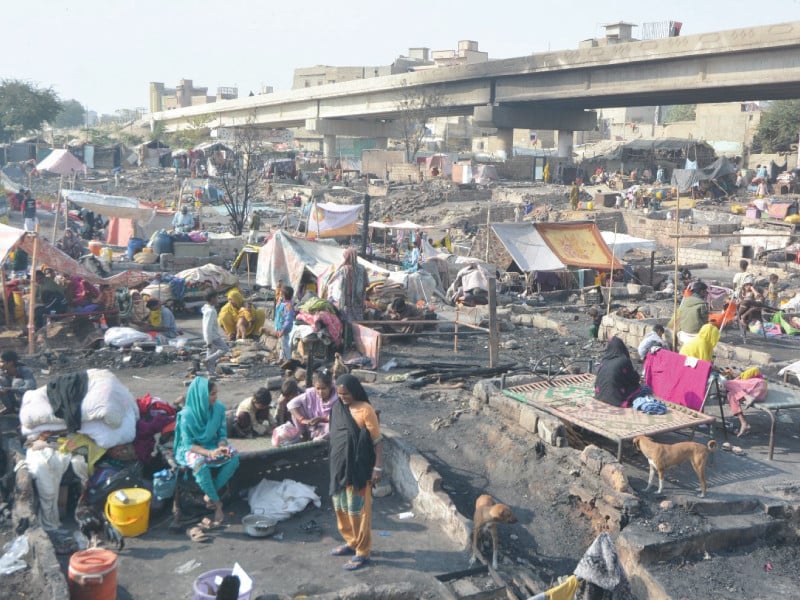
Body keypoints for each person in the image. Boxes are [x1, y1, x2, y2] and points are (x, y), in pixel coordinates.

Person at [328, 374, 383, 571]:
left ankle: (362, 551)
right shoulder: (337, 408)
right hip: (339, 468)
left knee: (359, 511)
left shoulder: (366, 410)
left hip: (359, 470)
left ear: (356, 391)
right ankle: (350, 541)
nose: (343, 397)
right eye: (340, 393)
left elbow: (377, 441)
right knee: (341, 508)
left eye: (346, 394)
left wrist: (377, 467)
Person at [173, 377, 239, 525]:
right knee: (200, 465)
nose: (215, 397)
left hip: (212, 445)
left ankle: (209, 494)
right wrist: (209, 453)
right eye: (212, 394)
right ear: (201, 396)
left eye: (216, 393)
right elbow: (188, 444)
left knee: (233, 457)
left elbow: (222, 435)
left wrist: (222, 447)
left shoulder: (219, 409)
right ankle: (217, 502)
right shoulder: (186, 416)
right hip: (192, 448)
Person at [287, 369, 338, 441]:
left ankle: (317, 442)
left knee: (331, 428)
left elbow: (339, 417)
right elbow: (291, 404)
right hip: (312, 424)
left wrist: (322, 418)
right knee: (297, 410)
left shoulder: (337, 396)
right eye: (318, 388)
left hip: (329, 425)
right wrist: (303, 420)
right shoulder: (312, 393)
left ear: (330, 387)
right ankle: (304, 435)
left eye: (323, 388)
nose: (320, 392)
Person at [594, 337, 641, 407]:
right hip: (616, 397)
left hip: (600, 394)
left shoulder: (604, 360)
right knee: (637, 387)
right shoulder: (624, 360)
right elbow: (633, 378)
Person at [723, 367, 768, 438]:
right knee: (731, 395)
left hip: (759, 386)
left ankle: (748, 397)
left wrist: (740, 375)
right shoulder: (739, 384)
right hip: (755, 395)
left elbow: (755, 369)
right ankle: (744, 423)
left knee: (726, 383)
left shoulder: (744, 376)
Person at [202, 290, 230, 374]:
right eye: (216, 298)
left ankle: (210, 373)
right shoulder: (211, 311)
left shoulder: (208, 309)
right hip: (213, 336)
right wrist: (209, 340)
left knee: (211, 352)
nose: (217, 299)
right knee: (225, 349)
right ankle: (207, 360)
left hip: (210, 336)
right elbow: (208, 327)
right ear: (212, 299)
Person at [273, 285, 295, 361]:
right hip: (279, 327)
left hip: (283, 328)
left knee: (285, 344)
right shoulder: (282, 303)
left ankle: (289, 359)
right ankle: (281, 358)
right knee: (282, 343)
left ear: (284, 295)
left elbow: (288, 319)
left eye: (281, 294)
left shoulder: (288, 306)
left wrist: (283, 329)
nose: (280, 295)